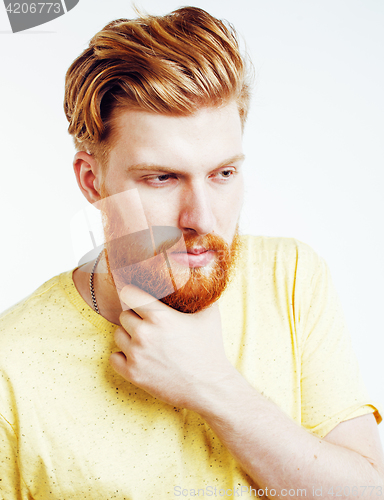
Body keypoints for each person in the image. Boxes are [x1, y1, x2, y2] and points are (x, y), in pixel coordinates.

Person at [0, 6, 383, 499]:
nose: (201, 218)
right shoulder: (13, 364)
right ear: (92, 181)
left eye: (223, 174)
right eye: (162, 177)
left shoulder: (289, 278)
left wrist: (212, 385)